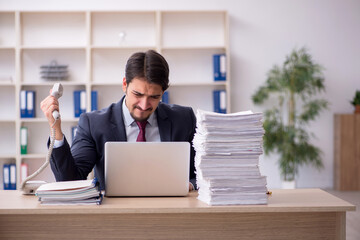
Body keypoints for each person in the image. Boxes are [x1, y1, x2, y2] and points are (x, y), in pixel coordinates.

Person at [40, 50, 196, 191]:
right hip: (115, 215)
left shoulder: (184, 119)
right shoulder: (93, 124)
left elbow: (203, 176)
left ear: (163, 92)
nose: (144, 105)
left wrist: (190, 184)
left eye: (154, 97)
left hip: (171, 211)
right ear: (124, 85)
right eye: (138, 94)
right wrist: (56, 130)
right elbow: (70, 181)